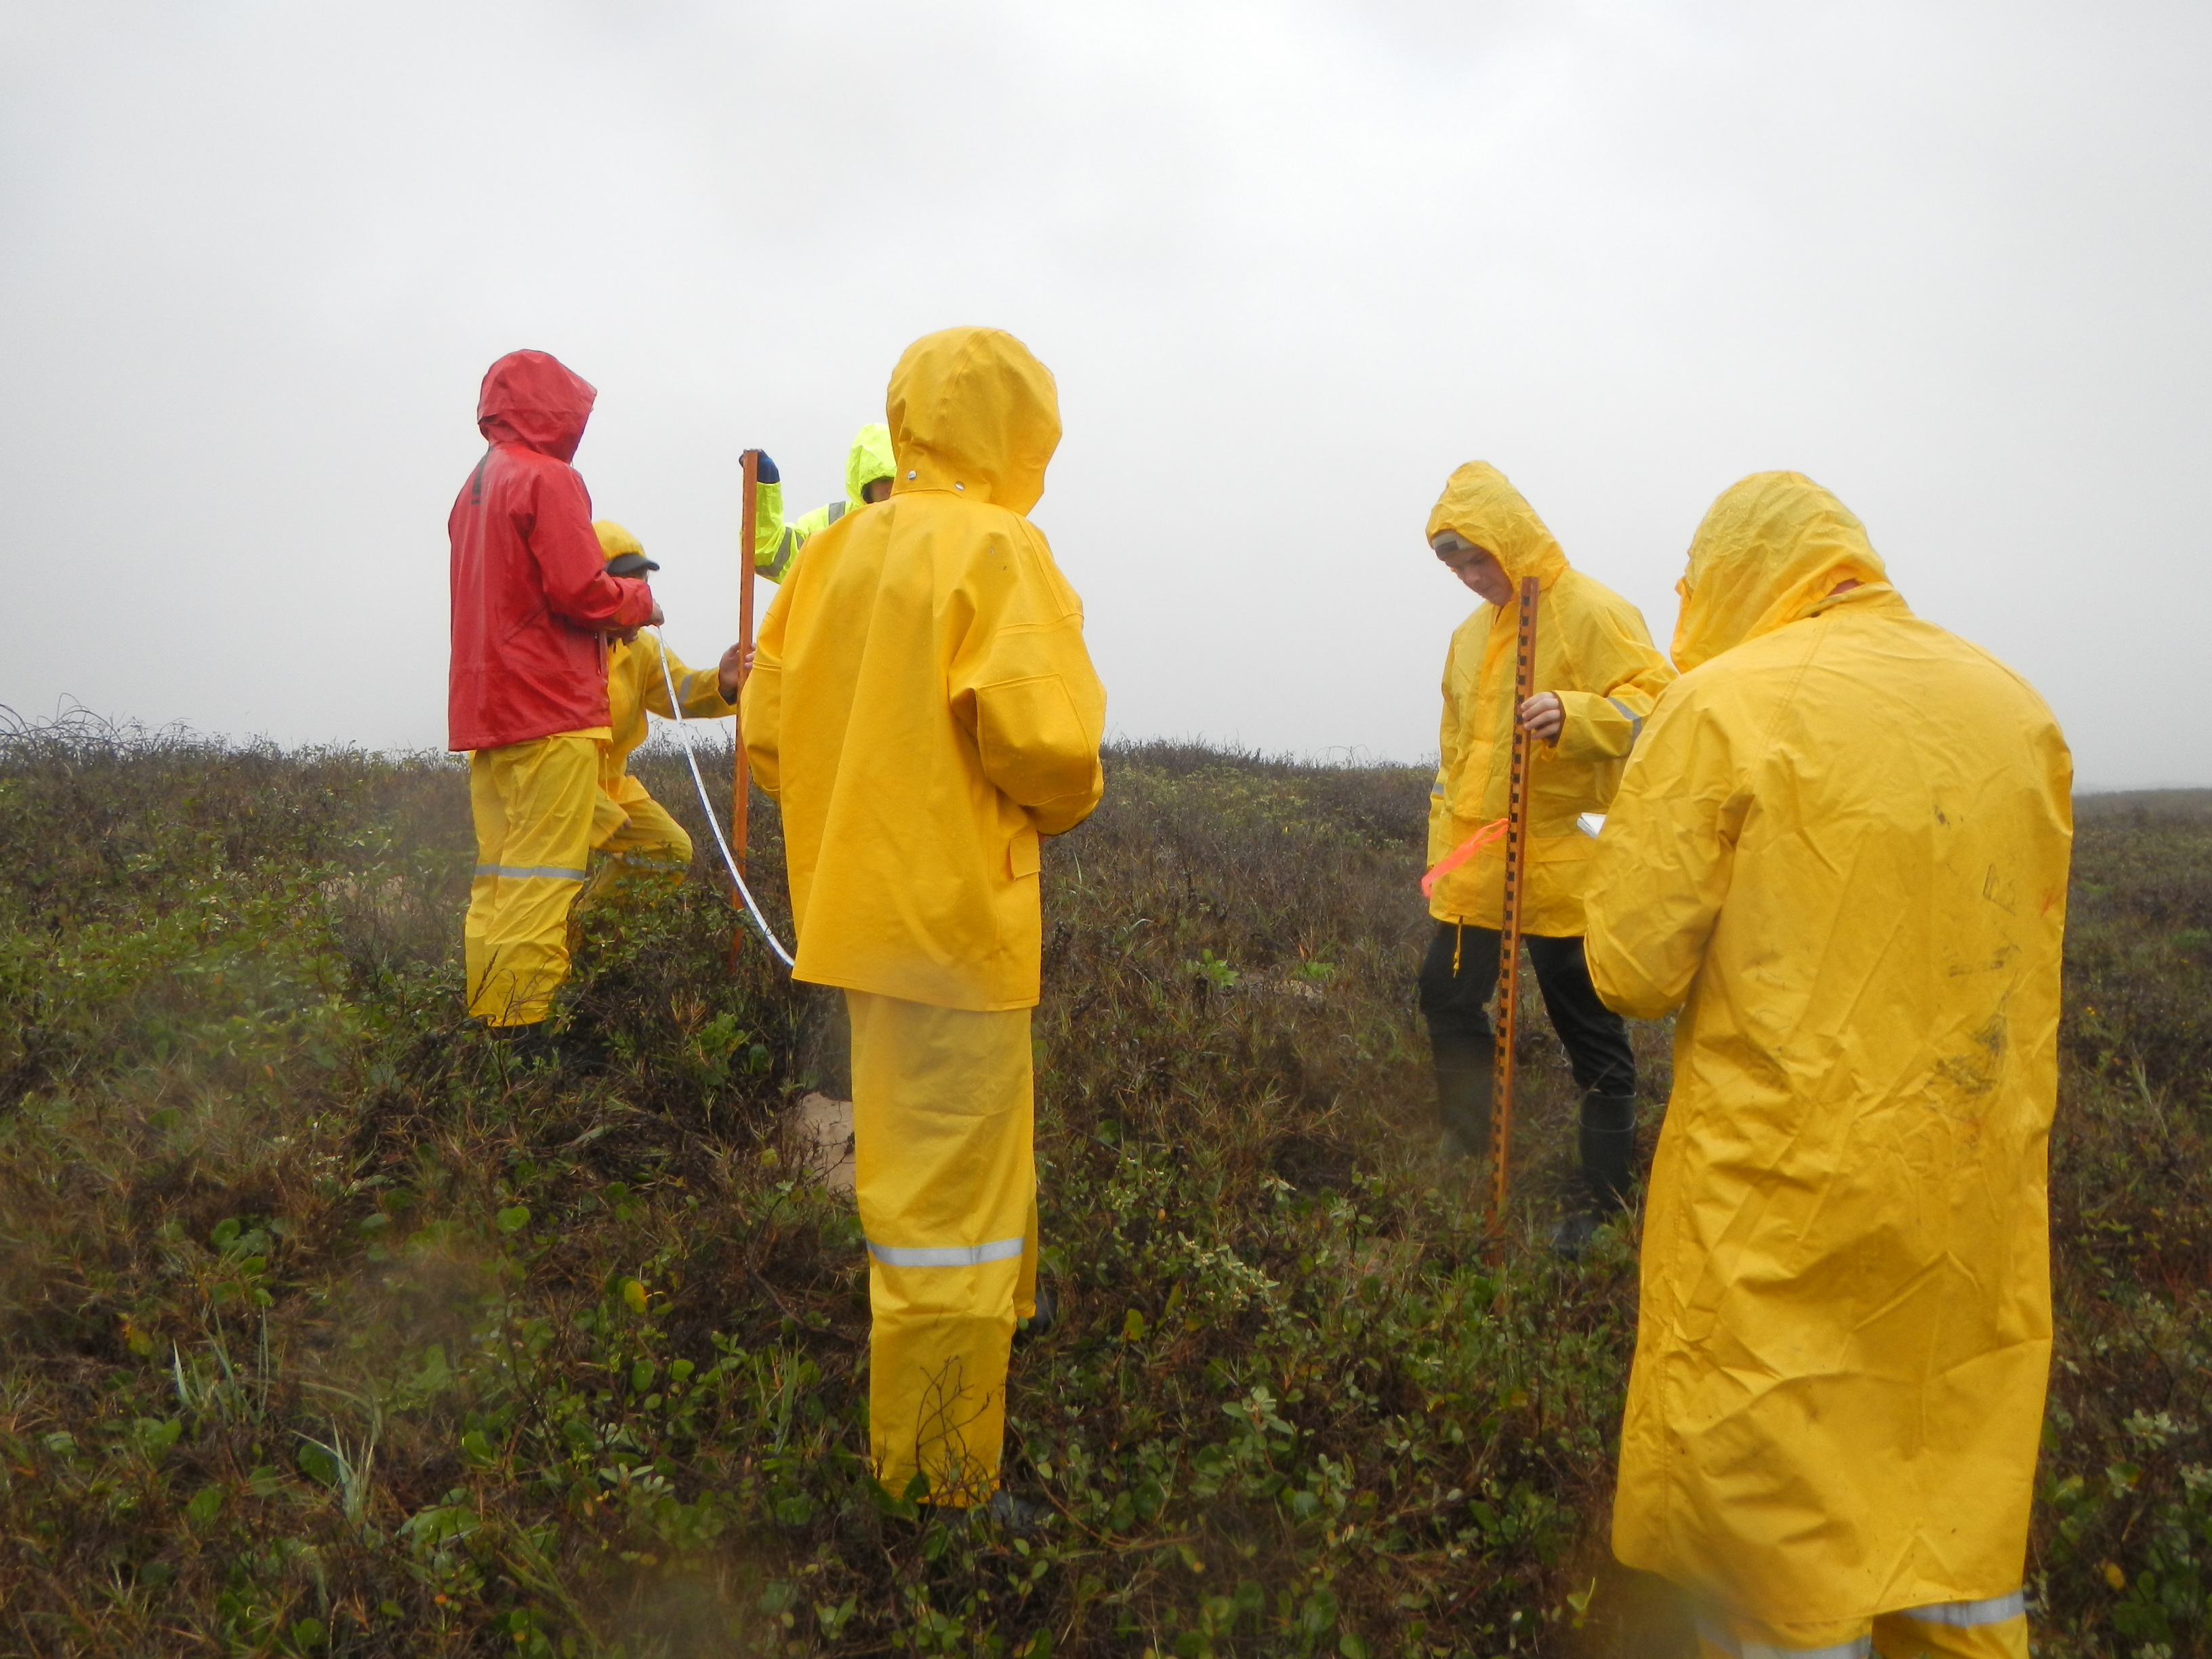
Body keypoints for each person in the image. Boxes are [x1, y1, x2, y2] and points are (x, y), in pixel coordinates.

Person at [1584, 472, 2072, 1659]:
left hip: (1779, 1202)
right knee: (1947, 1532)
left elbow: (1629, 970)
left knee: (1779, 1559)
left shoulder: (1717, 706)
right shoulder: (2014, 706)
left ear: (1729, 577)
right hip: (1966, 1200)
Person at [743, 327, 1105, 1513]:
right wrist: (1057, 803)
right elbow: (1047, 744)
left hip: (862, 916)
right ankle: (938, 1478)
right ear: (1016, 429)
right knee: (944, 1214)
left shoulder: (832, 558)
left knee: (934, 1167)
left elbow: (763, 737)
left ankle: (999, 1331)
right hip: (955, 921)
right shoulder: (1000, 551)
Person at [1418, 461, 1675, 1252]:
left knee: (1590, 1038)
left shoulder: (1593, 610)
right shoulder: (1468, 639)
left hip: (1566, 867)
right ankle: (1468, 1140)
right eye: (1457, 567)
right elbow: (1458, 752)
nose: (1470, 578)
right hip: (1480, 872)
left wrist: (1579, 714)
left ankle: (1602, 1207)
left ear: (1511, 541)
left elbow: (1661, 705)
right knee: (1445, 998)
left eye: (1478, 560)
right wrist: (1446, 854)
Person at [449, 350, 658, 1042]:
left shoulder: (472, 489)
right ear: (552, 408)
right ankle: (527, 1043)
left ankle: (490, 1025)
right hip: (550, 713)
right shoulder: (549, 479)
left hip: (489, 717)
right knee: (543, 886)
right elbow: (580, 591)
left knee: (500, 885)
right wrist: (639, 601)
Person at [577, 520, 744, 906]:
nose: (639, 595)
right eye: (627, 583)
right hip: (556, 782)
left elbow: (678, 691)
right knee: (553, 876)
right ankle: (551, 955)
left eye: (642, 582)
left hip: (609, 787)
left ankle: (591, 943)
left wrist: (723, 682)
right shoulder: (560, 643)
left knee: (666, 850)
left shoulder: (642, 649)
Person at [751, 422, 898, 583]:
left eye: (897, 479)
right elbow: (766, 553)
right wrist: (765, 489)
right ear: (866, 484)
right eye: (883, 479)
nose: (891, 488)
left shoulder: (925, 525)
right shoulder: (833, 522)